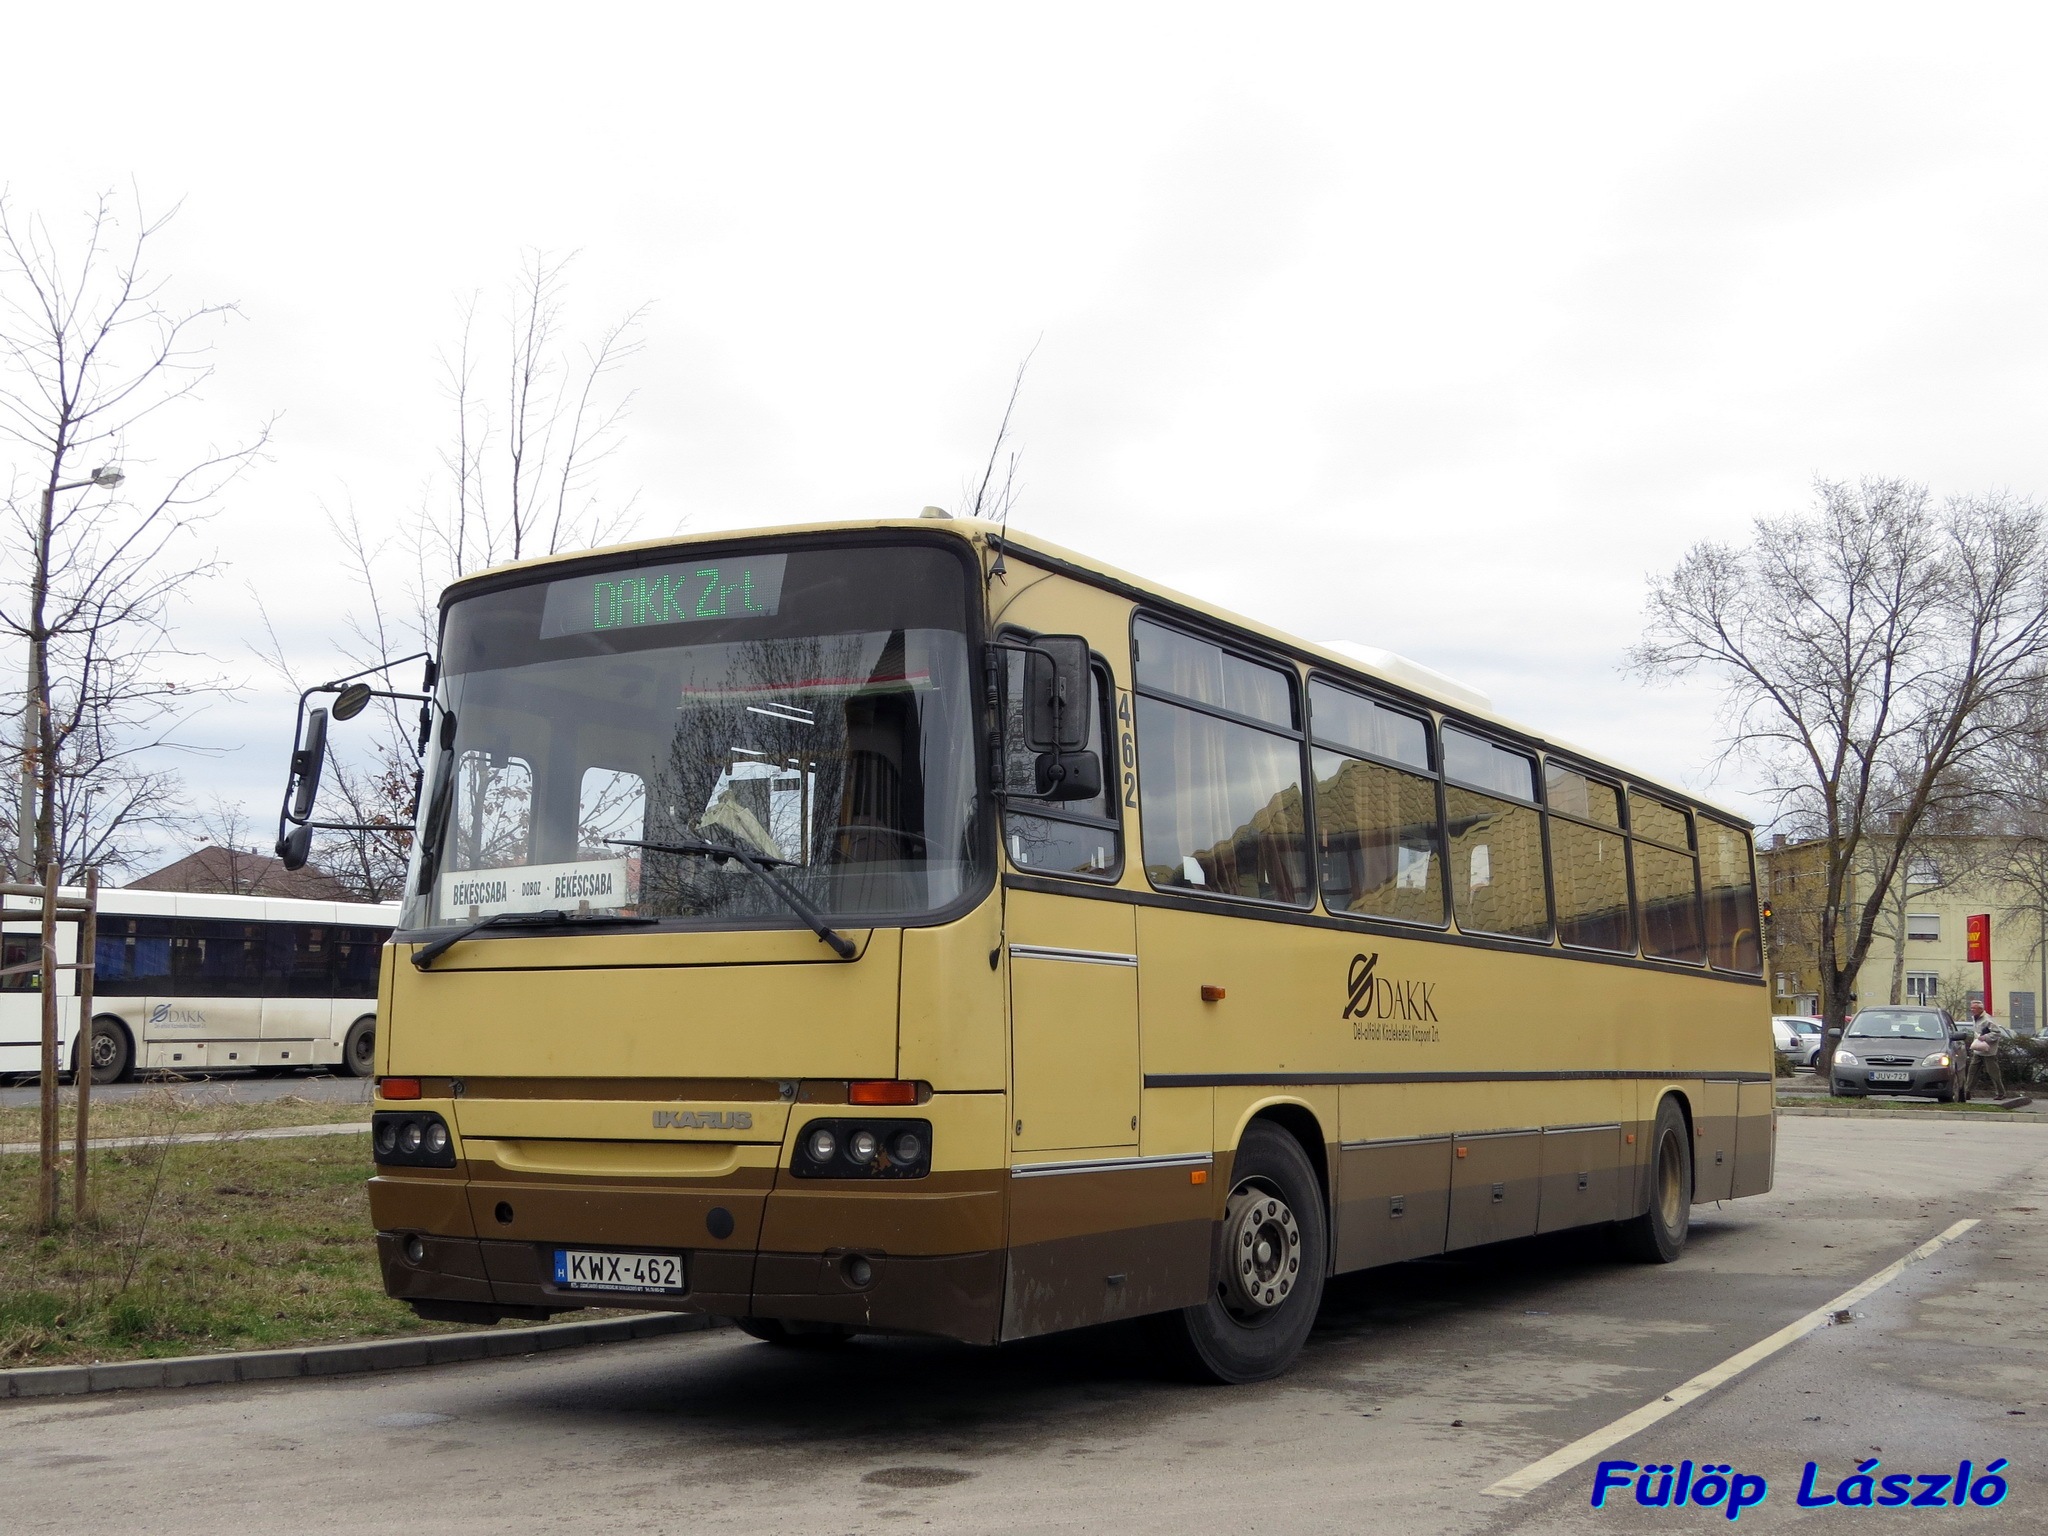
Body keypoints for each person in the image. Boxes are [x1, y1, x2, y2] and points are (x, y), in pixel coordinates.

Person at [1967, 1005, 2006, 1099]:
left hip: (1989, 1051)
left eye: (1974, 1008)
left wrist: (1985, 1037)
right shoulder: (1976, 1018)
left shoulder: (1987, 1019)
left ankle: (2001, 1093)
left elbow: (1997, 1033)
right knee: (1972, 1071)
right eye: (1971, 1008)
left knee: (1993, 1072)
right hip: (1978, 1050)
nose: (1972, 1010)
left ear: (1980, 1009)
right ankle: (1967, 1092)